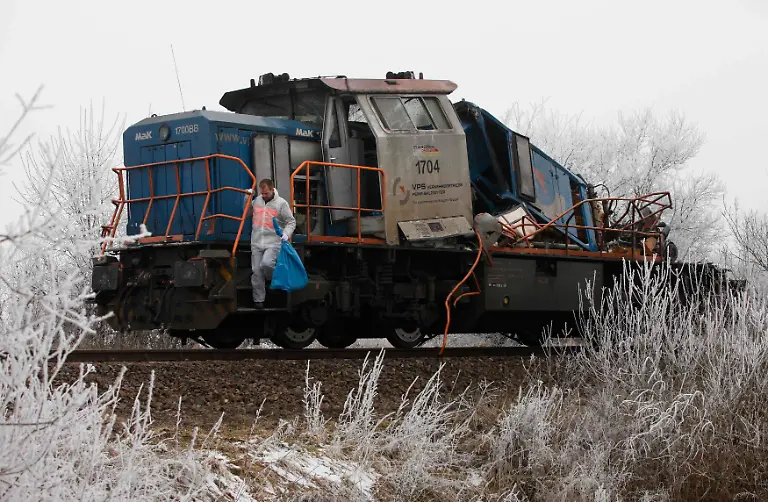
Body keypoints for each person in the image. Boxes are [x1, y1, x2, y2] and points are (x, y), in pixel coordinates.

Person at [249, 179, 296, 307]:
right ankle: (259, 301)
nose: (263, 196)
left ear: (272, 190)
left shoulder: (281, 203)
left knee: (267, 263)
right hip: (257, 241)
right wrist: (246, 199)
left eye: (265, 193)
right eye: (262, 193)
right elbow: (248, 213)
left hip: (273, 242)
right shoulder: (257, 201)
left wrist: (286, 234)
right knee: (256, 271)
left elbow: (291, 222)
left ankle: (275, 282)